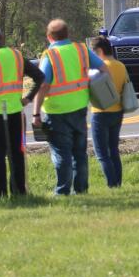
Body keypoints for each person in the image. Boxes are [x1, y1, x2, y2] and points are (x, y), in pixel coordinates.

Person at [32, 19, 109, 196]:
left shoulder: (50, 56)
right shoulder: (81, 49)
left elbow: (43, 85)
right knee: (79, 152)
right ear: (68, 34)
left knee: (61, 152)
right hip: (79, 108)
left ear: (49, 36)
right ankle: (81, 189)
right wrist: (92, 85)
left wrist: (35, 113)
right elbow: (104, 69)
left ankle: (63, 190)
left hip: (56, 111)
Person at [0, 23, 45, 198]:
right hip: (16, 114)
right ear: (2, 38)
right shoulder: (17, 55)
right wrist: (27, 98)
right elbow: (39, 76)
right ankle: (19, 192)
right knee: (16, 154)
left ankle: (0, 194)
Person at [89, 36, 127, 188]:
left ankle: (112, 184)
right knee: (114, 150)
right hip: (117, 110)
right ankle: (118, 182)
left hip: (100, 112)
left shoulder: (99, 67)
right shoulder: (120, 66)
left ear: (99, 51)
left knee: (102, 153)